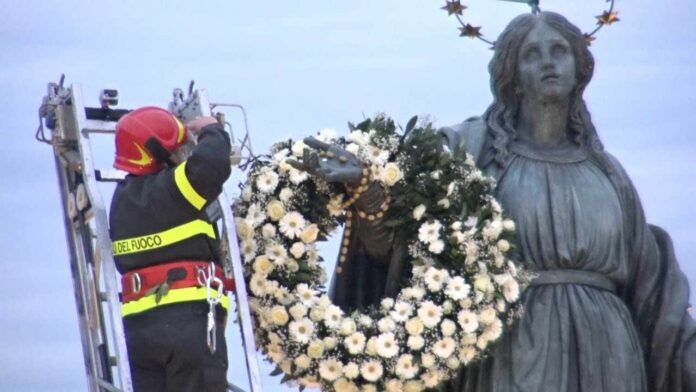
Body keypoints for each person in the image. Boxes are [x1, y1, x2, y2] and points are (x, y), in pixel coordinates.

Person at [294, 11, 696, 392]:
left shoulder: (608, 173)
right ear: (513, 77)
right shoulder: (472, 157)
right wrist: (371, 191)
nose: (548, 62)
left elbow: (653, 291)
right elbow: (408, 246)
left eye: (559, 51)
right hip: (513, 349)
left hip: (610, 357)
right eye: (531, 54)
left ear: (579, 69)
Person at [109, 106, 233, 392]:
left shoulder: (121, 203)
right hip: (187, 327)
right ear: (157, 152)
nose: (182, 153)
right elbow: (211, 166)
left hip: (138, 334)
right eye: (177, 147)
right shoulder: (174, 190)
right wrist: (212, 129)